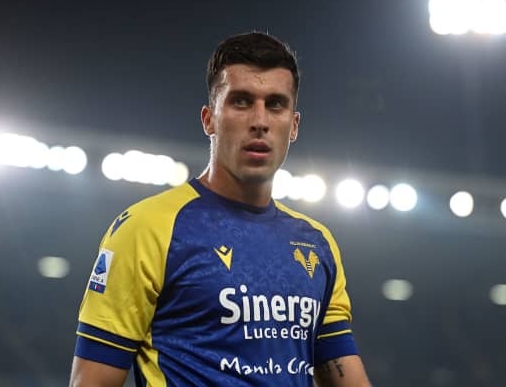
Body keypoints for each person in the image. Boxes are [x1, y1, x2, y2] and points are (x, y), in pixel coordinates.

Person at [69, 31, 371, 387]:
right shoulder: (146, 229)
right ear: (208, 118)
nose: (260, 121)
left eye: (276, 104)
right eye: (241, 101)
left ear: (293, 126)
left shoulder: (318, 244)